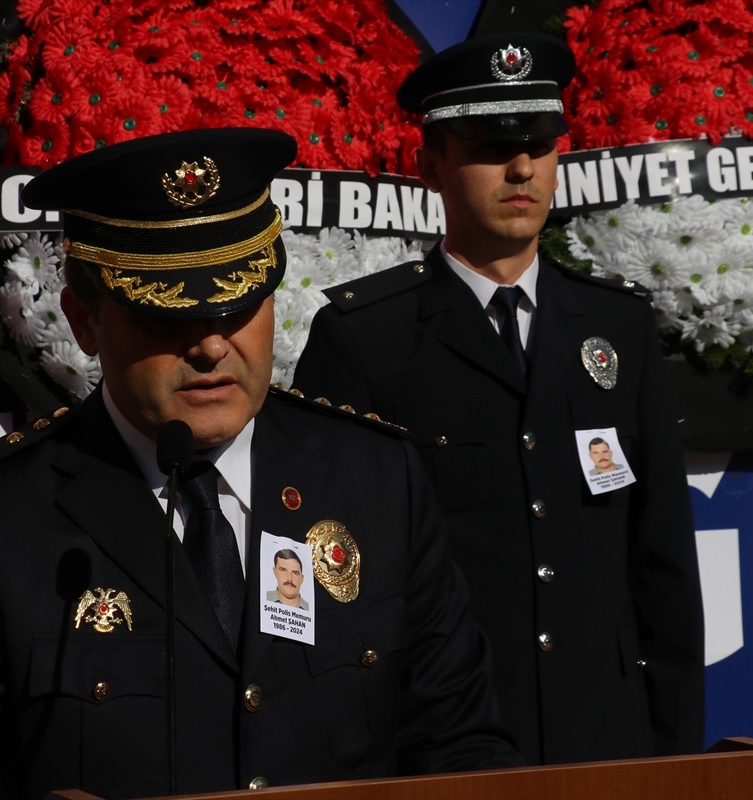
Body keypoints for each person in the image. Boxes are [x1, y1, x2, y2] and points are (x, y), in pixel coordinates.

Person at [0, 127, 520, 799]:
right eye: (166, 315)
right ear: (84, 321)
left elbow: (465, 746)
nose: (210, 346)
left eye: (237, 305)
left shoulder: (378, 481)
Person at [293, 32, 704, 766]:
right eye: (488, 147)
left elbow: (662, 565)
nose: (521, 167)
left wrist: (674, 755)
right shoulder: (364, 339)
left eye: (542, 145)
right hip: (440, 750)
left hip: (607, 745)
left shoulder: (620, 326)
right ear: (430, 166)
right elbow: (330, 585)